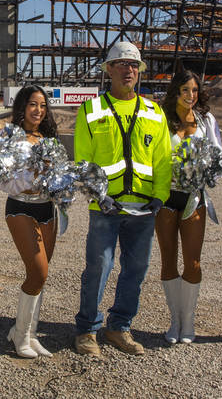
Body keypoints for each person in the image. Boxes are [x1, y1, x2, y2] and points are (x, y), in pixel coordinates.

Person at [73, 41, 172, 357]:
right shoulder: (91, 110)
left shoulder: (154, 112)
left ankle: (119, 327)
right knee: (98, 267)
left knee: (136, 269)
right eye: (122, 64)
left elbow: (163, 158)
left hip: (143, 209)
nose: (129, 70)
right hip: (105, 207)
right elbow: (83, 161)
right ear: (109, 70)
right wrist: (99, 196)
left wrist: (160, 197)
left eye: (134, 65)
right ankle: (87, 330)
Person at [156, 67, 222, 344]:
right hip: (167, 197)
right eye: (185, 90)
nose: (191, 95)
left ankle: (189, 320)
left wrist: (207, 174)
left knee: (193, 262)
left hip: (194, 197)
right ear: (176, 91)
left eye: (195, 90)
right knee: (168, 259)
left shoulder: (205, 120)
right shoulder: (161, 119)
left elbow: (217, 155)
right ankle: (174, 320)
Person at [0, 85, 58, 358]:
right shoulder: (10, 137)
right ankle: (20, 336)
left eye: (43, 106)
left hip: (49, 209)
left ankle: (28, 332)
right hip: (21, 207)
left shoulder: (48, 137)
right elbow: (2, 180)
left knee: (40, 275)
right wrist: (32, 178)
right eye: (33, 104)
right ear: (22, 107)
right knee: (38, 272)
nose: (39, 110)